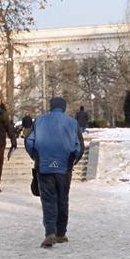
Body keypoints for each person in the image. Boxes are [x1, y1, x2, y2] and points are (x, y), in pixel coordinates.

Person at [25, 96, 82, 248]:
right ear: (63, 107)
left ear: (51, 106)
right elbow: (79, 146)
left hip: (44, 166)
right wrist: (73, 160)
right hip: (64, 167)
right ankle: (61, 233)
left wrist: (35, 156)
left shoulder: (40, 121)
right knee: (63, 198)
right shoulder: (72, 123)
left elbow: (29, 141)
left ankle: (50, 231)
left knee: (48, 199)